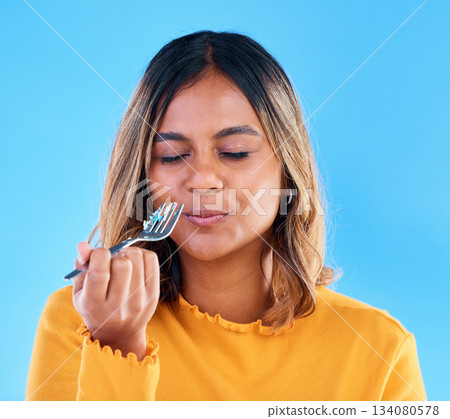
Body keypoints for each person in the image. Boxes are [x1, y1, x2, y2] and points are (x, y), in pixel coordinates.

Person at [26, 30, 427, 401]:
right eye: (172, 155)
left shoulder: (380, 349)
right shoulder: (79, 323)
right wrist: (117, 344)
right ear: (141, 173)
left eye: (235, 152)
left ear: (288, 169)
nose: (202, 181)